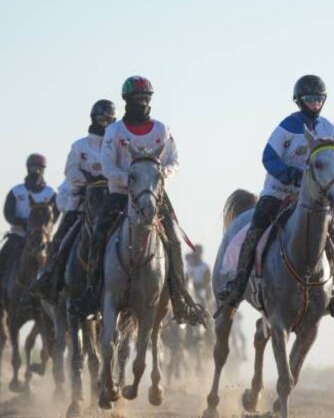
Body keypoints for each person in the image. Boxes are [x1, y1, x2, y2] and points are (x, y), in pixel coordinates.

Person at [217, 74, 334, 317]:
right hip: (278, 192)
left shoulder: (330, 129)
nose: (315, 104)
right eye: (310, 99)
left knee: (333, 236)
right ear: (299, 100)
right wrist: (290, 175)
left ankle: (333, 289)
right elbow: (268, 157)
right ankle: (238, 284)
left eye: (319, 99)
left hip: (311, 197)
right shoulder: (287, 127)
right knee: (256, 229)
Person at [76, 76, 205, 325]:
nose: (142, 103)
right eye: (137, 99)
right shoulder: (114, 131)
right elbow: (107, 165)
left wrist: (157, 177)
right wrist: (130, 181)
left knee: (174, 239)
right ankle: (92, 295)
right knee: (99, 233)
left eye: (146, 98)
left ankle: (180, 301)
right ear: (127, 101)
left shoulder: (161, 130)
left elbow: (174, 161)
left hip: (153, 194)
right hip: (120, 193)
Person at [34, 100, 116, 302]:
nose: (105, 123)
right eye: (102, 118)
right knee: (61, 240)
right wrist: (90, 181)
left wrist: (113, 180)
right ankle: (50, 280)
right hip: (82, 204)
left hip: (113, 202)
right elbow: (70, 171)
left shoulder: (118, 144)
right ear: (94, 118)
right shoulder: (79, 146)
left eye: (109, 119)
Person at [0, 154, 57, 287]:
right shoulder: (16, 191)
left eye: (39, 168)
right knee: (2, 259)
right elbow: (8, 213)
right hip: (18, 236)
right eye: (33, 168)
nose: (35, 171)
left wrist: (44, 229)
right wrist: (22, 223)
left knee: (58, 262)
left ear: (43, 170)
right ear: (28, 169)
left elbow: (56, 215)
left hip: (42, 239)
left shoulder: (51, 193)